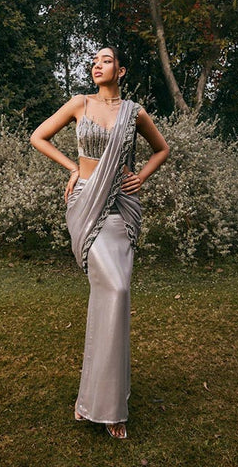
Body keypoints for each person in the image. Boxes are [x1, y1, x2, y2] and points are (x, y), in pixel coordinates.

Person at [30, 46, 170, 439]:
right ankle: (95, 401)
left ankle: (106, 405)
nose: (97, 65)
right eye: (94, 61)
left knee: (116, 296)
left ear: (121, 70)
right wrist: (73, 168)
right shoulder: (80, 103)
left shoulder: (134, 112)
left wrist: (141, 176)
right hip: (86, 203)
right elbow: (38, 137)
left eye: (106, 60)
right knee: (112, 289)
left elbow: (162, 149)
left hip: (121, 207)